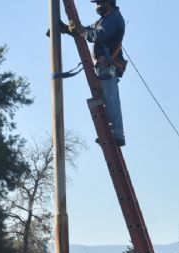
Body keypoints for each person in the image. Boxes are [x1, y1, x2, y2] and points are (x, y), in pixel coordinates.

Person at [69, 0, 126, 147]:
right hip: (102, 66)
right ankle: (110, 133)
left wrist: (81, 31)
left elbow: (97, 35)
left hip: (108, 65)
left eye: (98, 3)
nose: (97, 7)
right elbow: (87, 30)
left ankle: (117, 134)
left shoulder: (114, 18)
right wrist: (67, 28)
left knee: (110, 99)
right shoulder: (105, 19)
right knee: (106, 100)